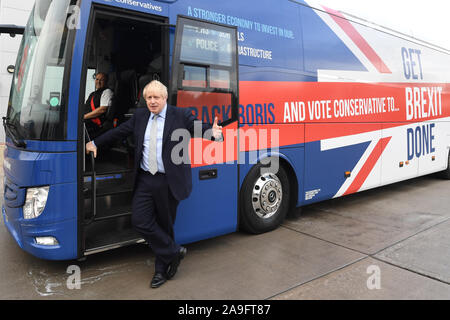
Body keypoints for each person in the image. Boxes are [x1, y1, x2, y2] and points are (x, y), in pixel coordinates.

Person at [85, 80, 223, 288]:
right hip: (145, 178)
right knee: (140, 221)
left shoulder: (180, 116)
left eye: (156, 97)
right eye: (148, 97)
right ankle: (173, 251)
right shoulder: (140, 116)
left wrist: (215, 134)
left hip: (169, 180)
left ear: (165, 98)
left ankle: (162, 270)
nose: (152, 101)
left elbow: (201, 129)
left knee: (165, 226)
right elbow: (119, 132)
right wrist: (95, 143)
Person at [84, 72, 114, 139]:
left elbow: (102, 109)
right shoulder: (92, 94)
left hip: (96, 125)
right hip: (87, 122)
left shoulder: (107, 92)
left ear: (106, 82)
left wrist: (84, 117)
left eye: (101, 80)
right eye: (97, 79)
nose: (98, 82)